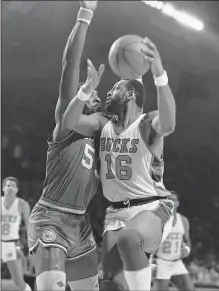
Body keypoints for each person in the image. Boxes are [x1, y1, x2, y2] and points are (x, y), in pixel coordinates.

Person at [62, 34, 176, 290]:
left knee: (128, 238)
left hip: (152, 207)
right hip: (116, 212)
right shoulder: (102, 123)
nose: (109, 92)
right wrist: (85, 90)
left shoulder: (148, 123)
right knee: (110, 285)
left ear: (130, 95)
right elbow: (68, 122)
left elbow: (169, 124)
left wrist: (159, 74)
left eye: (115, 88)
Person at [27, 1, 104, 290]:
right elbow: (69, 64)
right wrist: (86, 14)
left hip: (80, 224)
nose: (96, 98)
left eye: (98, 96)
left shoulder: (97, 146)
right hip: (51, 217)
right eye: (91, 93)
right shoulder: (65, 124)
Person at [152, 191, 195, 290]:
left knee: (190, 289)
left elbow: (187, 241)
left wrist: (187, 250)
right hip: (160, 262)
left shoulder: (183, 221)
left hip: (176, 262)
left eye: (173, 199)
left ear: (177, 203)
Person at [1, 176, 31, 291]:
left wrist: (28, 248)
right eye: (8, 185)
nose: (10, 188)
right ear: (3, 188)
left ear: (17, 190)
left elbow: (29, 227)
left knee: (18, 281)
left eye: (13, 186)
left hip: (10, 244)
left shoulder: (22, 205)